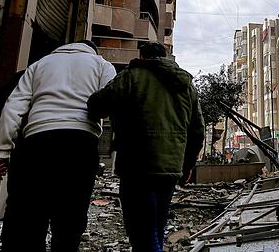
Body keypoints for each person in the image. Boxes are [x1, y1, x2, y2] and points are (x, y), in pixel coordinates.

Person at [0, 40, 116, 252]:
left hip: (36, 143)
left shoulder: (39, 65)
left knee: (29, 217)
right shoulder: (102, 65)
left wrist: (3, 150)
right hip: (80, 144)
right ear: (92, 50)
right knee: (70, 218)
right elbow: (113, 99)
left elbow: (12, 109)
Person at [87, 42, 204, 252]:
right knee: (157, 226)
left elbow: (97, 105)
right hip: (170, 167)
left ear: (142, 57)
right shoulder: (186, 85)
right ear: (166, 57)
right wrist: (187, 166)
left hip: (137, 165)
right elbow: (197, 131)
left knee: (142, 232)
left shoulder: (131, 76)